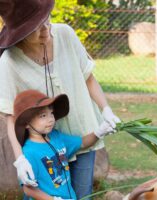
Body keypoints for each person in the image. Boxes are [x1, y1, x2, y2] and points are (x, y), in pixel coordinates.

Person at [0, 0, 121, 198]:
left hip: (82, 136)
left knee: (81, 194)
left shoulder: (65, 34)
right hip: (46, 146)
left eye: (46, 20)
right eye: (36, 28)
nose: (46, 29)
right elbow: (9, 116)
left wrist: (105, 109)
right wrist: (20, 159)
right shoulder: (9, 62)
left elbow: (88, 78)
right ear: (20, 33)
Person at [14, 90, 115, 200]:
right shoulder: (30, 152)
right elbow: (28, 189)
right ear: (27, 123)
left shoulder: (56, 137)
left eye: (51, 113)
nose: (51, 119)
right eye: (43, 116)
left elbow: (82, 143)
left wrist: (99, 132)